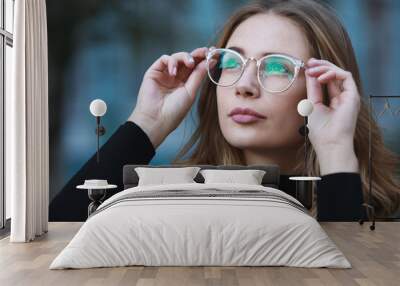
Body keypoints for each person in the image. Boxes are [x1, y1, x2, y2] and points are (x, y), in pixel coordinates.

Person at [49, 0, 400, 222]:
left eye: (276, 67)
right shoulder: (173, 200)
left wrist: (336, 153)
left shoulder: (383, 212)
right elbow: (55, 232)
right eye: (232, 62)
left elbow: (354, 272)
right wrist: (146, 123)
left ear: (326, 89)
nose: (245, 84)